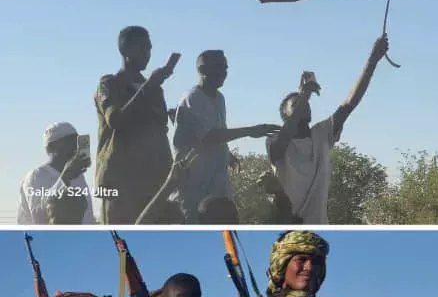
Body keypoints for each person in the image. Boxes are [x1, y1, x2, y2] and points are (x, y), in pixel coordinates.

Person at [267, 37, 390, 223]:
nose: (305, 105)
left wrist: (372, 61)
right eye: (296, 104)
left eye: (306, 103)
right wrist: (304, 94)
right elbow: (280, 144)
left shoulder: (321, 134)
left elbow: (349, 103)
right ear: (285, 114)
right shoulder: (275, 141)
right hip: (288, 225)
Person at [172, 50, 279, 220]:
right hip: (194, 183)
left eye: (225, 68)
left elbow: (217, 133)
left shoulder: (219, 98)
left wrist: (227, 154)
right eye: (218, 67)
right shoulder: (193, 97)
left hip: (217, 182)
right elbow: (209, 135)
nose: (223, 73)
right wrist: (251, 131)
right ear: (202, 69)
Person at [95, 26, 178, 224]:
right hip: (120, 183)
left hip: (154, 183)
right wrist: (149, 86)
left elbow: (159, 130)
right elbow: (116, 120)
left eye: (149, 48)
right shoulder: (109, 84)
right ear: (125, 51)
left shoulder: (153, 88)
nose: (147, 54)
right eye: (142, 48)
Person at [18, 122, 95, 224]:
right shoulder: (36, 176)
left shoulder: (78, 176)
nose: (75, 146)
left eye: (77, 141)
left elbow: (87, 217)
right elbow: (39, 216)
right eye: (69, 141)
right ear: (51, 147)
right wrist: (65, 177)